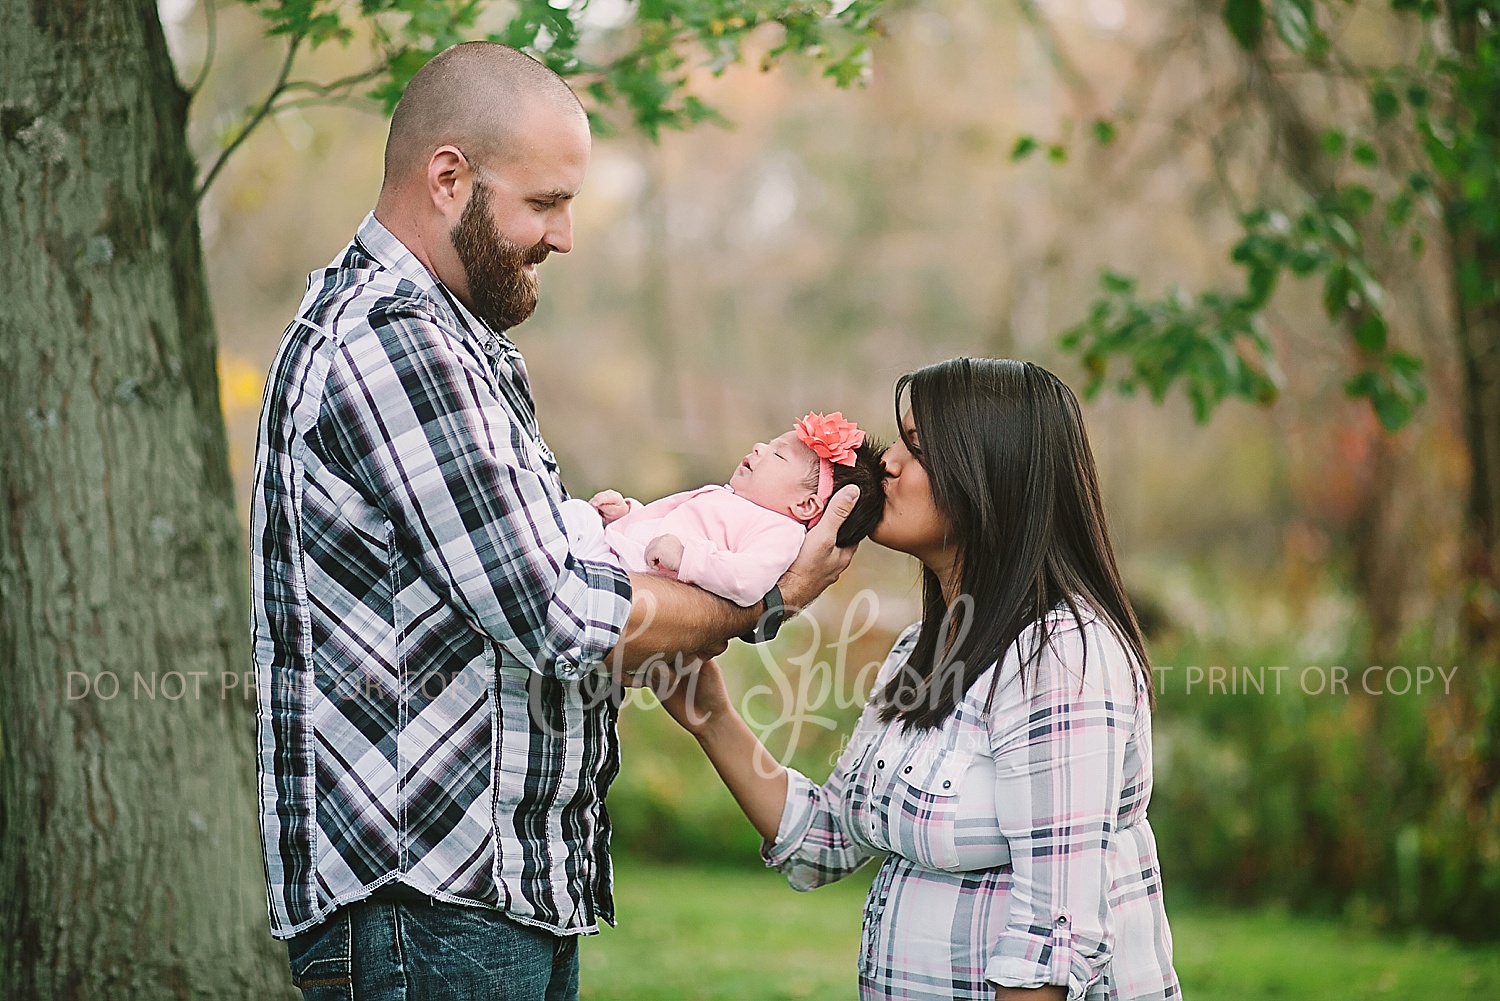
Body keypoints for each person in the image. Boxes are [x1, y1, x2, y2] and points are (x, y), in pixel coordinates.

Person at [249, 42, 859, 1001]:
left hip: (484, 896)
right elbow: (561, 615)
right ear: (448, 178)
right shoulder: (395, 342)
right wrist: (764, 598)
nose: (565, 236)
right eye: (545, 203)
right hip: (428, 901)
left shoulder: (463, 343)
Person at [655, 357, 1182, 1000]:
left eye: (920, 449)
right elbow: (827, 839)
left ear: (995, 476)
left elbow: (1053, 941)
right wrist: (712, 719)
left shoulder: (1060, 656)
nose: (889, 465)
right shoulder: (925, 652)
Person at [561, 412, 886, 606]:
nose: (760, 447)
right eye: (770, 443)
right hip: (619, 553)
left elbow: (748, 580)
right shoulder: (730, 499)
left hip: (630, 578)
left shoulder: (779, 531)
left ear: (805, 505)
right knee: (575, 517)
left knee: (567, 521)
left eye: (778, 455)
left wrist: (687, 558)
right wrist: (628, 513)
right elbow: (668, 522)